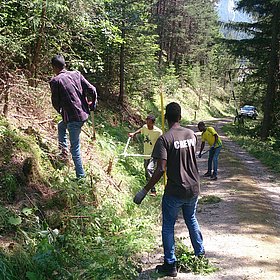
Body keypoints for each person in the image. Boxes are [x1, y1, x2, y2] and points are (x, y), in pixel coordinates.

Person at [133, 102, 204, 277]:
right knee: (191, 219)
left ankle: (170, 265)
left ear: (166, 118)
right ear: (180, 117)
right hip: (194, 187)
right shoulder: (191, 135)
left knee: (168, 227)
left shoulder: (164, 139)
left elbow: (161, 168)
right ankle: (200, 255)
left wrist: (144, 190)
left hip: (175, 191)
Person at [49, 54, 97, 179]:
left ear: (54, 67)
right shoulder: (76, 74)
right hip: (82, 115)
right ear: (64, 64)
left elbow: (55, 102)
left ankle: (81, 177)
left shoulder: (56, 81)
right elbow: (92, 89)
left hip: (73, 119)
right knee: (61, 126)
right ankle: (63, 151)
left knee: (75, 149)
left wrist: (61, 111)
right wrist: (92, 105)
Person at [128, 114, 162, 196]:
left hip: (153, 155)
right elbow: (141, 130)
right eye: (147, 121)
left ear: (153, 123)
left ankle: (153, 190)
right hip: (146, 153)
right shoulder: (145, 127)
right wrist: (134, 133)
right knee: (146, 172)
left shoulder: (158, 132)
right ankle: (148, 188)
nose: (147, 123)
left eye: (149, 122)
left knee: (149, 169)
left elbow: (162, 142)